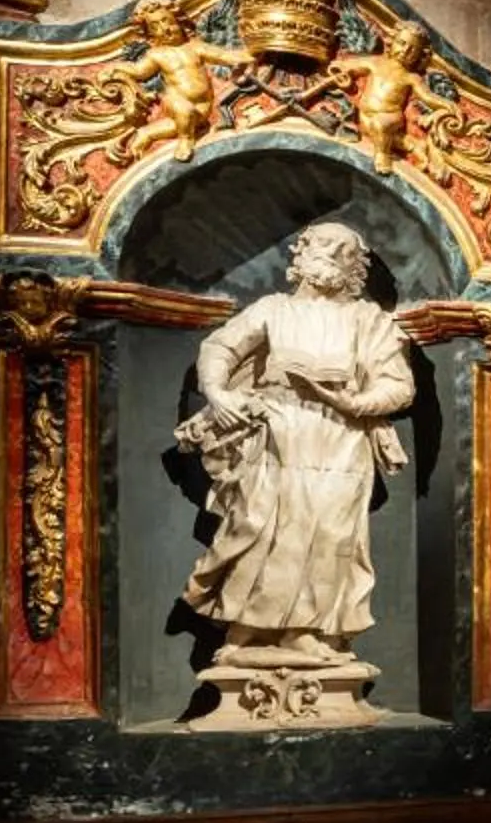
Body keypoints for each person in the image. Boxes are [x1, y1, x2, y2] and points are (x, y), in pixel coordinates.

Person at [175, 221, 414, 671]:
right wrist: (219, 393)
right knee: (262, 527)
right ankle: (246, 630)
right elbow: (220, 348)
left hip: (342, 438)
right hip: (276, 432)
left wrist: (354, 402)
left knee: (330, 535)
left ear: (356, 267)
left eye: (343, 250)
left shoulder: (368, 320)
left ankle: (304, 630)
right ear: (301, 255)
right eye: (322, 246)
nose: (331, 255)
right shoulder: (274, 309)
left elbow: (398, 386)